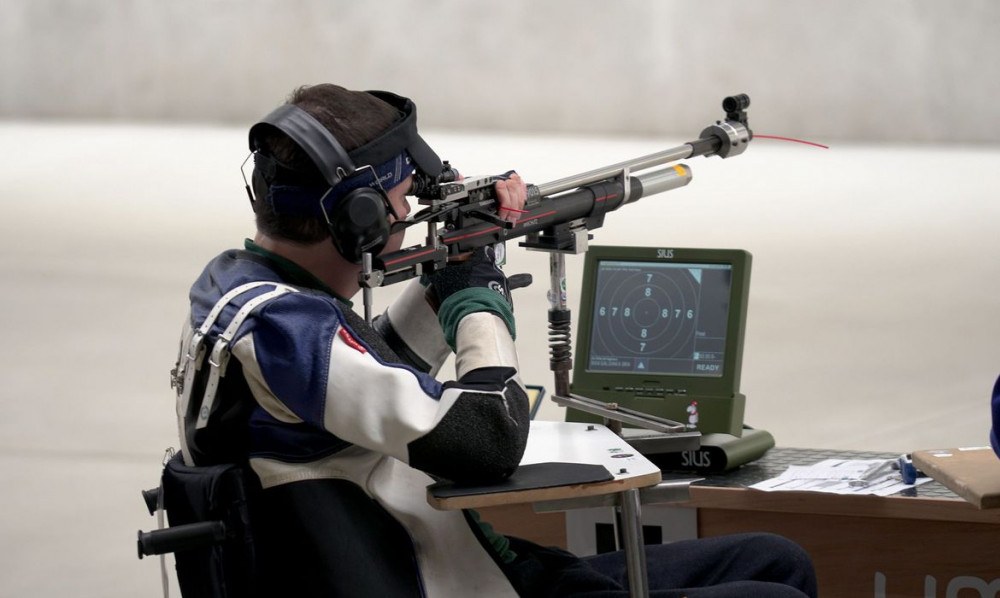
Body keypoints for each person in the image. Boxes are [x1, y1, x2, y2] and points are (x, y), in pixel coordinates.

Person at [173, 83, 817, 597]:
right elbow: (487, 439)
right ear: (359, 221)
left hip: (456, 560)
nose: (407, 219)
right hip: (438, 577)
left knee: (774, 558)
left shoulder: (245, 293)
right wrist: (482, 297)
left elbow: (372, 373)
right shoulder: (283, 334)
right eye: (401, 202)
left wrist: (446, 277)